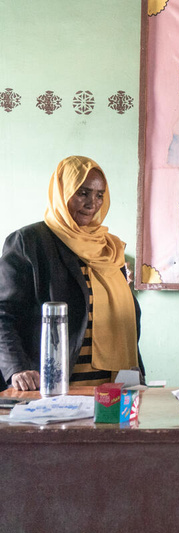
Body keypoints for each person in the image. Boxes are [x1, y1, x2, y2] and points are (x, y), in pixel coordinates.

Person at [0, 155, 143, 391]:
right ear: (62, 191)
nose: (92, 204)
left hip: (113, 388)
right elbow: (4, 313)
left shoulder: (109, 249)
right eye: (82, 193)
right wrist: (17, 368)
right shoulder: (29, 242)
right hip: (49, 387)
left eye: (99, 195)